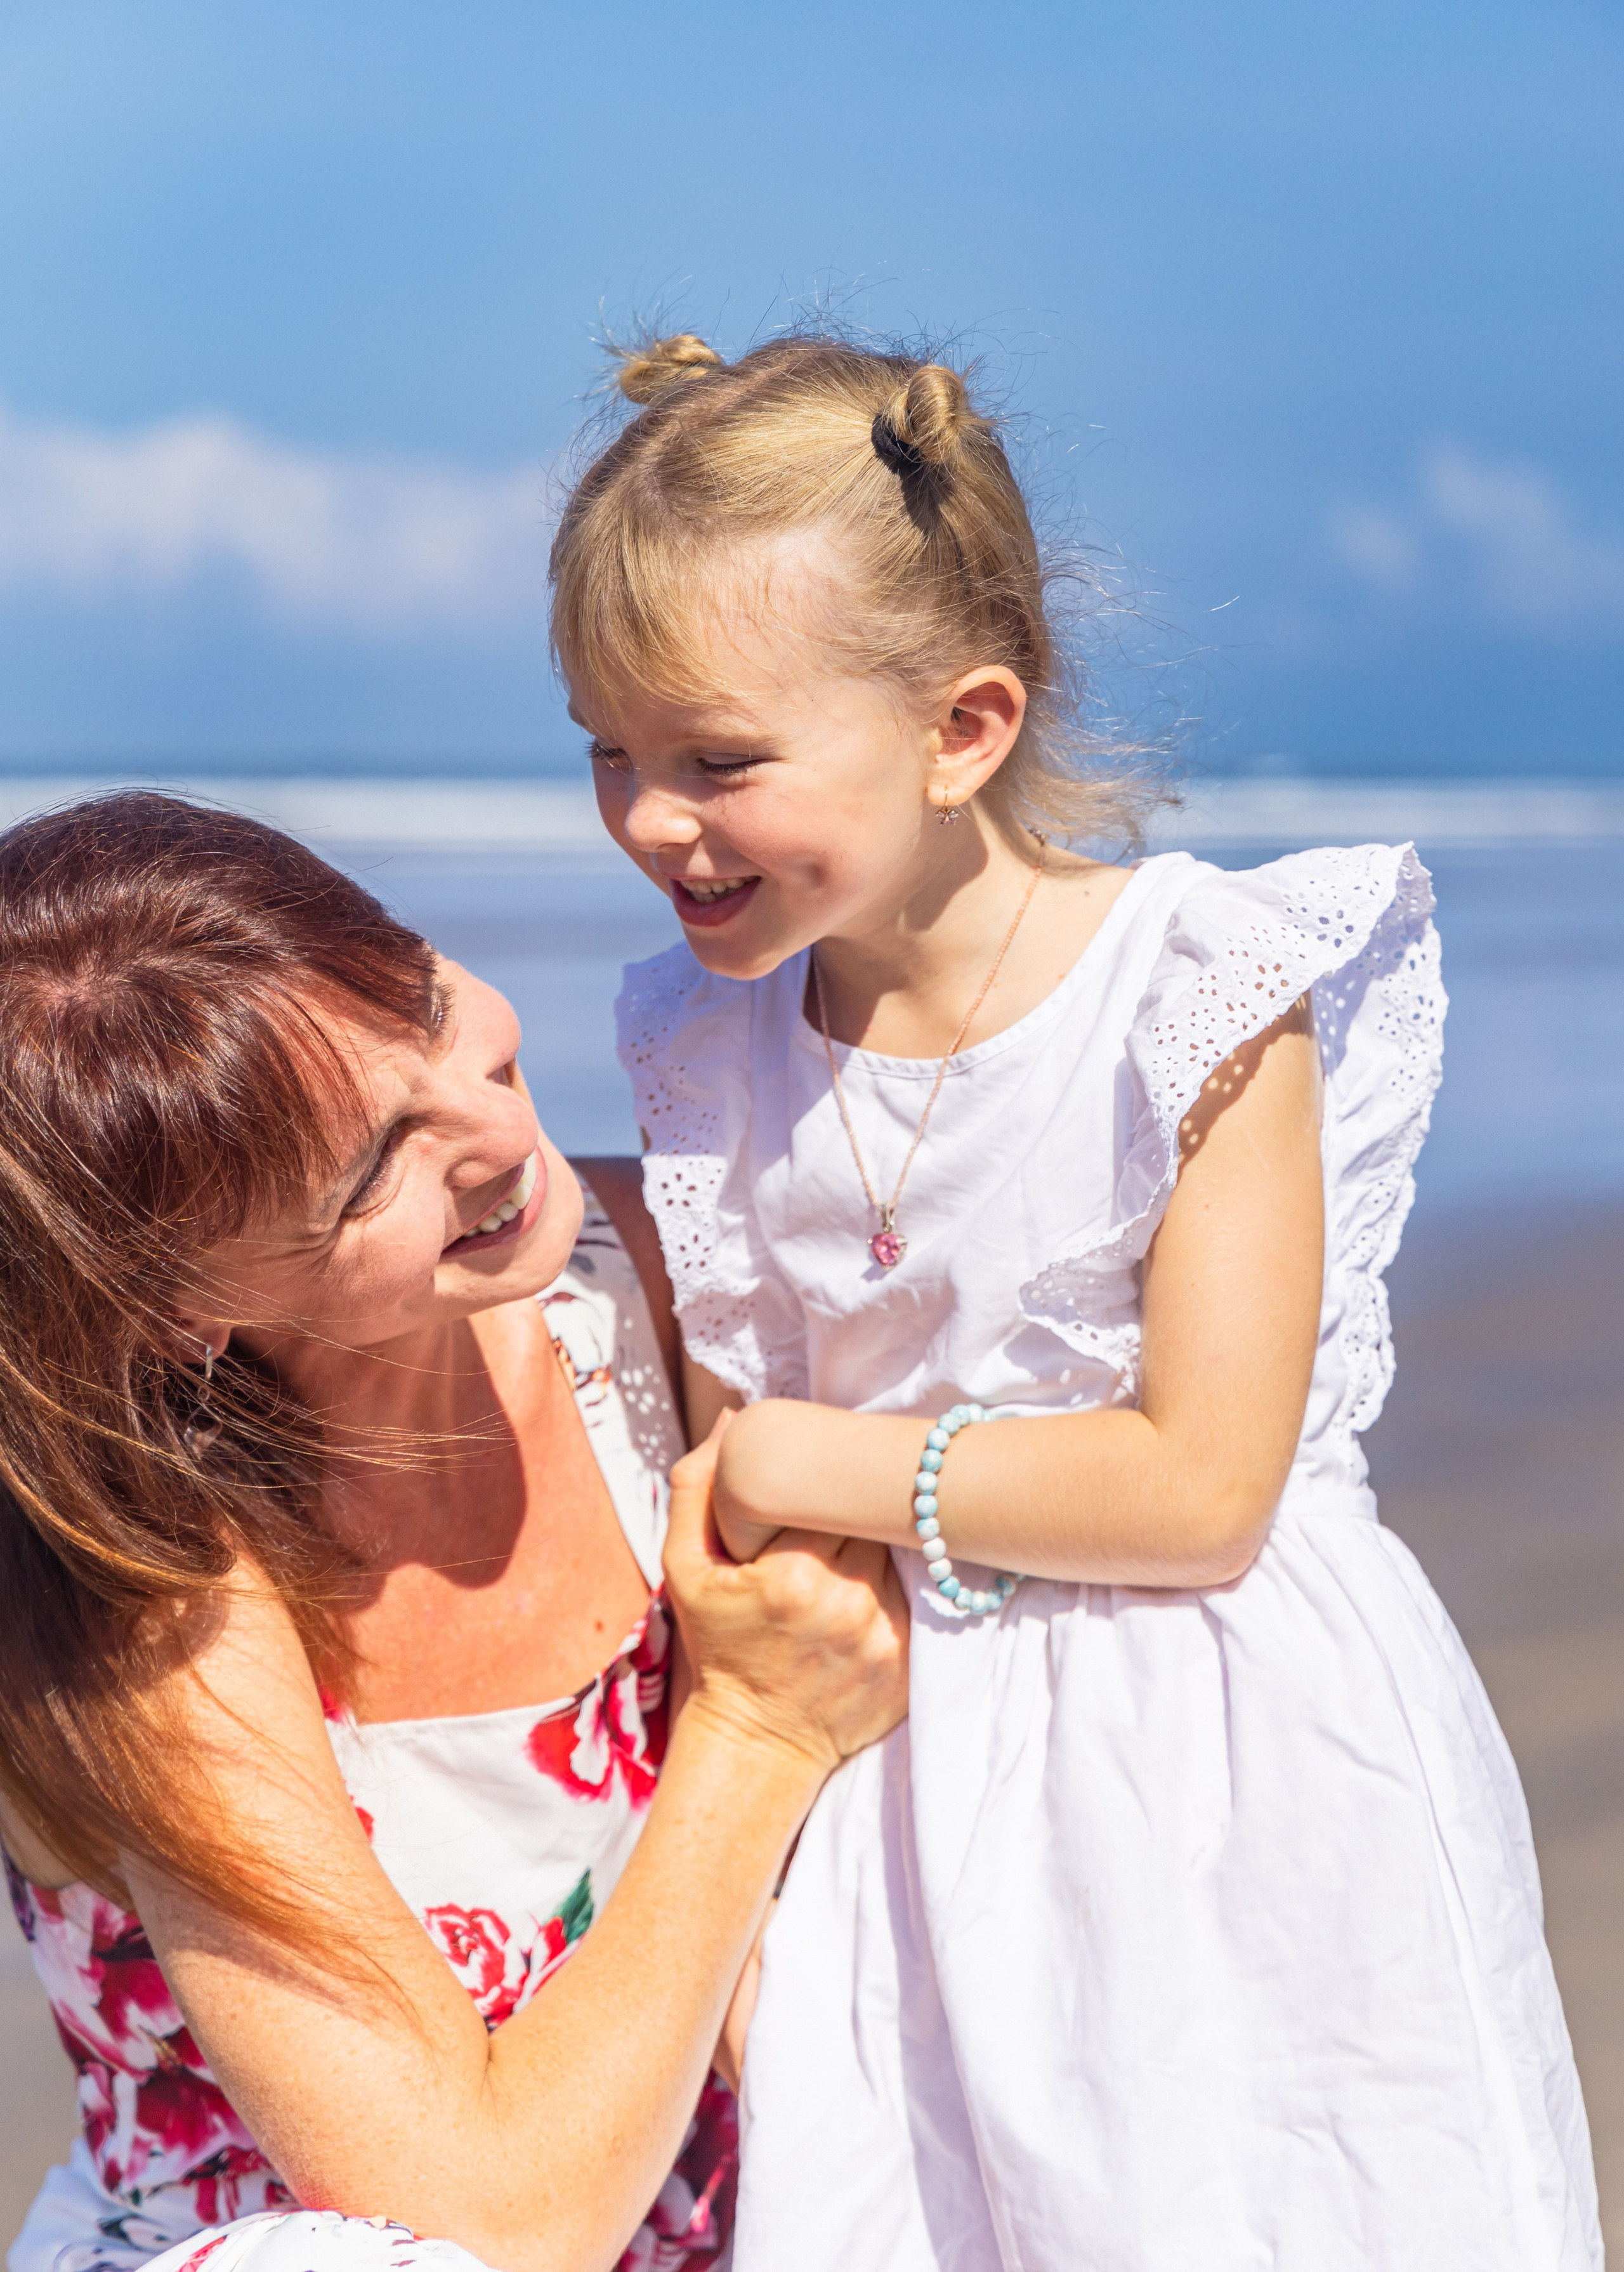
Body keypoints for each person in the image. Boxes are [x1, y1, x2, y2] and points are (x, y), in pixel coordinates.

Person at [549, 330, 1604, 2268]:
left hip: (1214, 1773)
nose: (647, 817)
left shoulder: (1190, 993)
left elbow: (1199, 1487)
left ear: (962, 728)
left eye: (717, 758)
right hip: (890, 1780)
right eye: (607, 749)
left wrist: (796, 1454)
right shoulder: (708, 1041)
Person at [0, 792, 908, 2272]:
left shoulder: (660, 1275)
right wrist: (755, 1734)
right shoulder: (154, 1586)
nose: (495, 1130)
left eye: (426, 1006)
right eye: (374, 1168)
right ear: (177, 1307)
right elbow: (487, 2224)